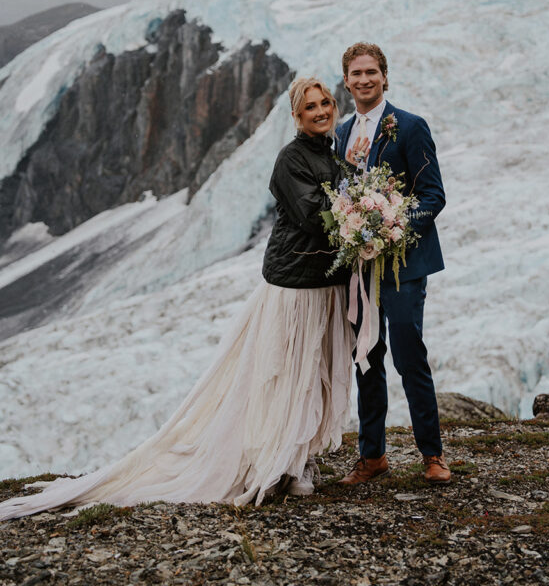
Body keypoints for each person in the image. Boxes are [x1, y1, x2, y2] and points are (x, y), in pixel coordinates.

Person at [0, 77, 353, 520]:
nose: (321, 111)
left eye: (325, 103)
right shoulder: (291, 159)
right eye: (311, 107)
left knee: (316, 369)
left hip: (325, 283)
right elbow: (311, 215)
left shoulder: (336, 153)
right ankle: (280, 460)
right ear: (296, 117)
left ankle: (300, 454)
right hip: (294, 285)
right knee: (285, 372)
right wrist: (357, 213)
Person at [336, 43, 450, 485]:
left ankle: (433, 455)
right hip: (360, 270)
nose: (364, 80)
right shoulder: (342, 134)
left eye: (371, 72)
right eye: (355, 73)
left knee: (408, 355)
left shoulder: (410, 126)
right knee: (367, 357)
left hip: (403, 264)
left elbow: (433, 195)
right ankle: (372, 456)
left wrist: (392, 230)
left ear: (384, 76)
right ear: (345, 81)